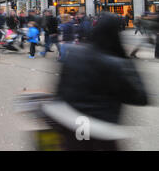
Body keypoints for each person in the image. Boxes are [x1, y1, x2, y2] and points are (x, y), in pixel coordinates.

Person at [55, 13, 149, 151]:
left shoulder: (74, 53)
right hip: (101, 129)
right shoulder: (118, 63)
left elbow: (60, 91)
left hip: (72, 124)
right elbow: (140, 97)